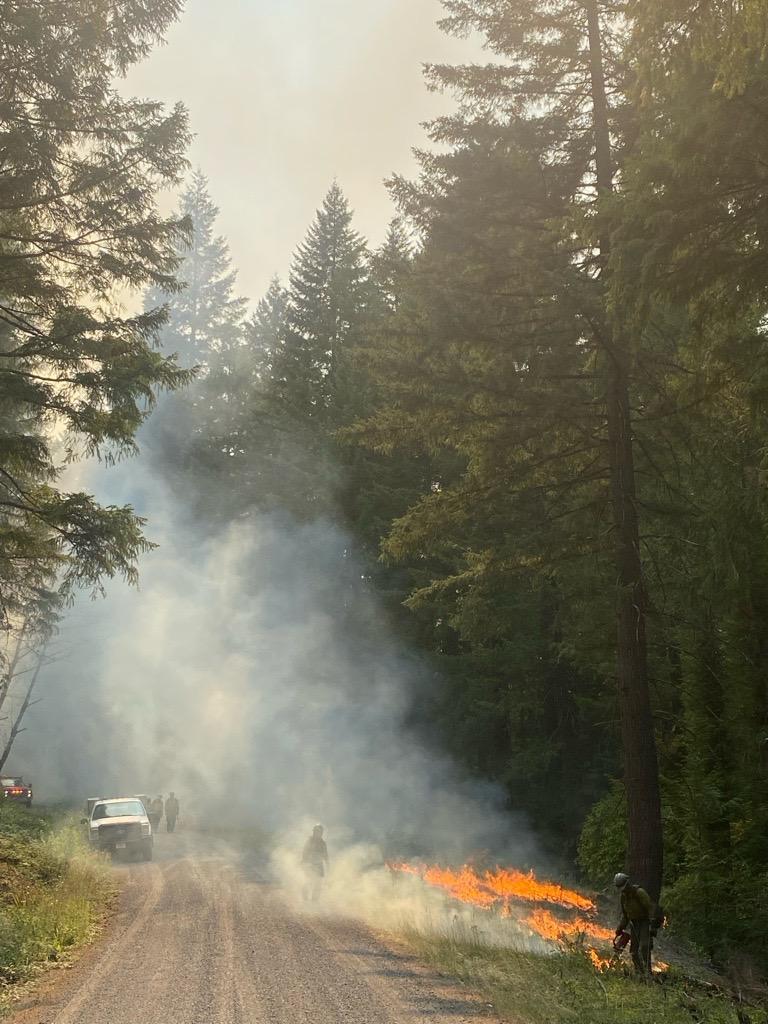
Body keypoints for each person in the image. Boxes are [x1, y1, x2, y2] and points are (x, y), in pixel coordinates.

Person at [614, 872, 653, 975]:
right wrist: (620, 928)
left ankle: (648, 973)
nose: (623, 890)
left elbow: (650, 908)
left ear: (627, 883)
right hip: (633, 924)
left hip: (644, 922)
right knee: (634, 952)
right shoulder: (623, 897)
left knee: (644, 946)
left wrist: (652, 925)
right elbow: (625, 915)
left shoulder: (639, 892)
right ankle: (639, 973)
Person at [301, 824, 329, 901]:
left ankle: (314, 901)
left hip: (319, 865)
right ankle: (305, 898)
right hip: (309, 864)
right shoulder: (309, 841)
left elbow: (325, 855)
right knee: (309, 881)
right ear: (314, 832)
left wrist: (327, 864)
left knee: (318, 884)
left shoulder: (323, 843)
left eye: (320, 832)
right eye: (316, 831)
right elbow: (304, 852)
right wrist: (304, 862)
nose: (318, 833)